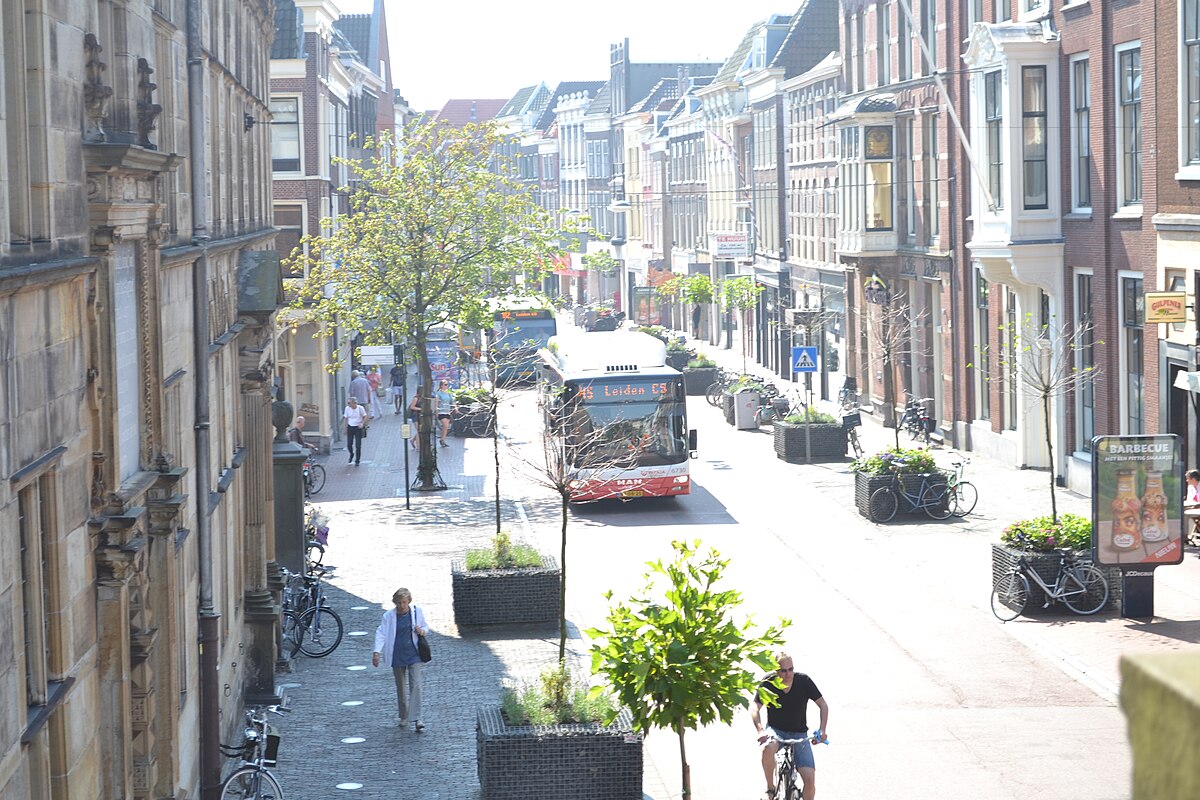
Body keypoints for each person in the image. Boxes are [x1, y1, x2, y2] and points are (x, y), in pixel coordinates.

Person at [751, 651, 829, 800]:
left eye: (791, 669)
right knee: (768, 749)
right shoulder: (769, 682)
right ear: (776, 671)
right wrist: (760, 730)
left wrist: (822, 730)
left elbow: (823, 705)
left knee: (810, 780)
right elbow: (755, 707)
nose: (788, 674)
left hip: (799, 735)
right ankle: (770, 788)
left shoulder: (803, 681)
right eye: (783, 670)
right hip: (776, 731)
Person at [372, 587, 429, 731]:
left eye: (404, 602)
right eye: (398, 603)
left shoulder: (416, 611)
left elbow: (425, 626)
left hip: (414, 653)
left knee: (416, 685)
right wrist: (376, 652)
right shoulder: (388, 616)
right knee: (401, 687)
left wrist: (422, 631)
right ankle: (404, 715)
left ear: (409, 601)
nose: (402, 606)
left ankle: (417, 718)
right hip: (397, 655)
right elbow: (381, 633)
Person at [343, 395, 368, 465]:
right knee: (349, 444)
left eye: (349, 403)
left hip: (358, 428)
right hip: (350, 427)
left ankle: (357, 460)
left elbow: (365, 416)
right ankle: (351, 453)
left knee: (358, 445)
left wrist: (362, 423)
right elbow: (346, 418)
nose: (348, 404)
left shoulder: (360, 408)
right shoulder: (347, 409)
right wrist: (345, 428)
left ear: (354, 403)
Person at [434, 380, 454, 447]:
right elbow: (436, 402)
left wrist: (455, 407)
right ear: (441, 385)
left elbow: (452, 401)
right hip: (441, 411)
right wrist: (436, 411)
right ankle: (442, 440)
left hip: (447, 411)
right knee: (445, 425)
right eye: (445, 384)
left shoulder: (448, 393)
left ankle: (443, 440)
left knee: (446, 427)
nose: (447, 386)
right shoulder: (438, 393)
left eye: (447, 384)